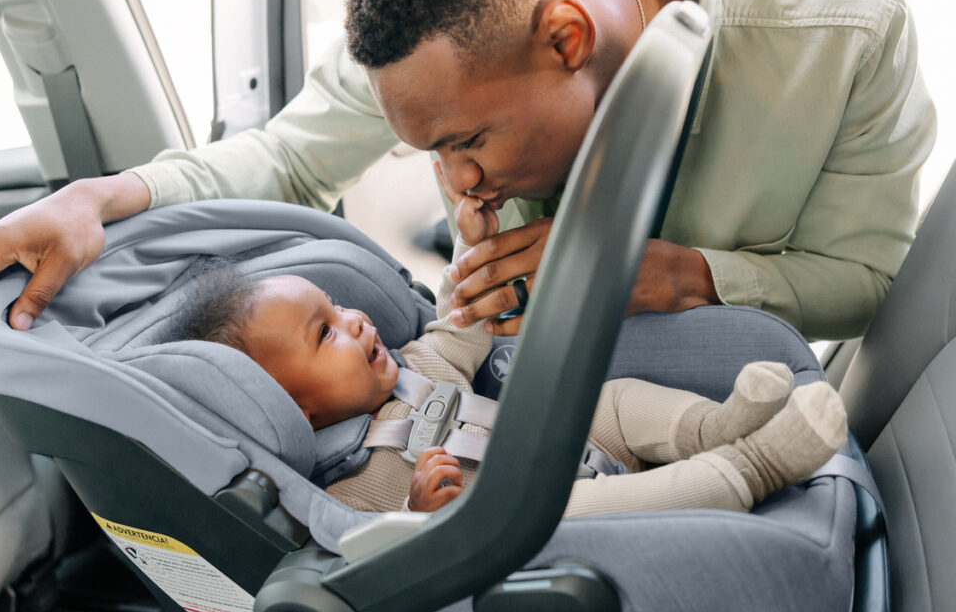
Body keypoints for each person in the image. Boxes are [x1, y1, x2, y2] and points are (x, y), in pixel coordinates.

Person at [0, 0, 935, 358]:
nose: (457, 187)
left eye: (468, 144)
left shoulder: (843, 36)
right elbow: (283, 158)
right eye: (431, 157)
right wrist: (101, 197)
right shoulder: (427, 46)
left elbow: (871, 285)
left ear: (566, 37)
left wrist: (680, 279)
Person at [178, 171, 847, 514]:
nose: (354, 320)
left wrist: (477, 241)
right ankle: (751, 468)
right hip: (543, 516)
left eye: (340, 307)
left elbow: (467, 319)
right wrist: (421, 515)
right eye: (325, 333)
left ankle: (710, 428)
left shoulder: (419, 364)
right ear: (292, 411)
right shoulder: (347, 489)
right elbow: (373, 557)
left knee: (610, 398)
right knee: (567, 511)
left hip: (576, 444)